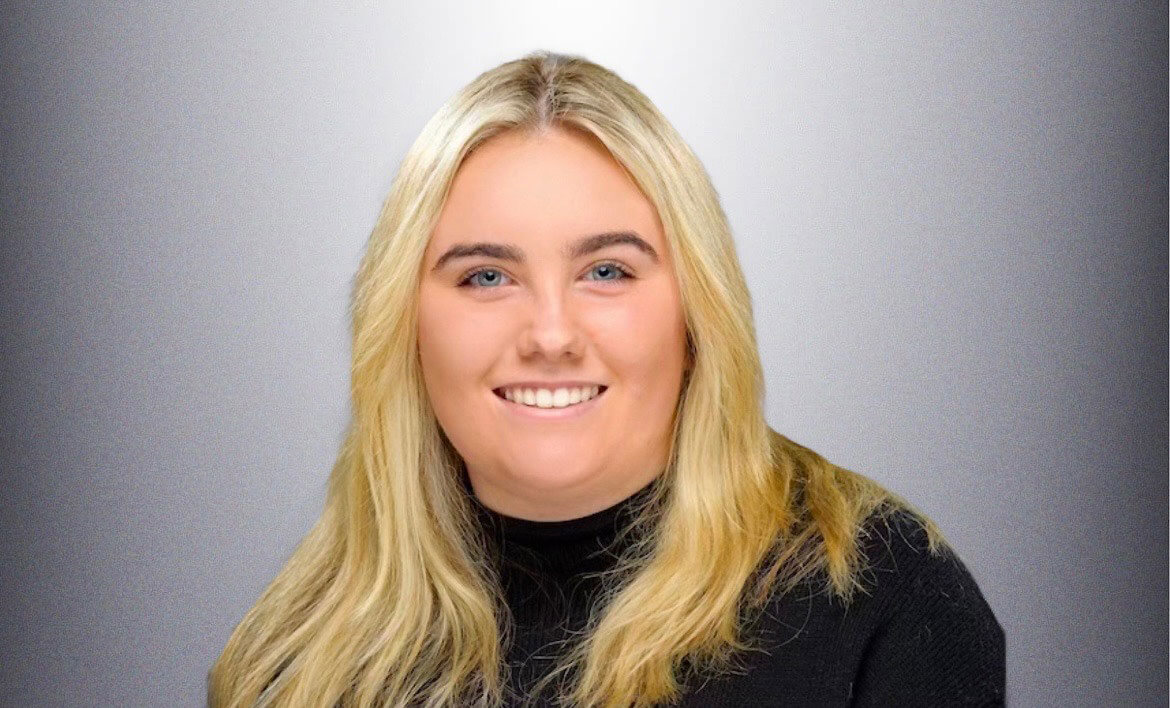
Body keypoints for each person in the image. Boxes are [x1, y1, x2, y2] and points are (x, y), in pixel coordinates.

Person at [208, 50, 1006, 707]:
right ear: (405, 330)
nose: (550, 335)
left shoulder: (882, 600)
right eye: (486, 277)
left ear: (696, 316)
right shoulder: (299, 655)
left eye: (607, 271)